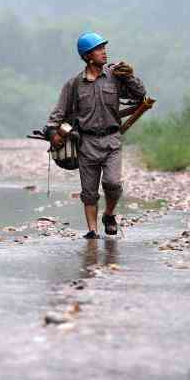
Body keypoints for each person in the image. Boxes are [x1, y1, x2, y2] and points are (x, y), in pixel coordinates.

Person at [45, 32, 146, 238]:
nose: (104, 52)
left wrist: (129, 76)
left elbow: (140, 94)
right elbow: (57, 114)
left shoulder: (116, 77)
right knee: (89, 191)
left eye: (104, 48)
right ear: (88, 56)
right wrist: (52, 133)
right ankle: (92, 231)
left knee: (112, 183)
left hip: (112, 140)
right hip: (86, 142)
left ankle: (109, 214)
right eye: (99, 49)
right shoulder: (73, 85)